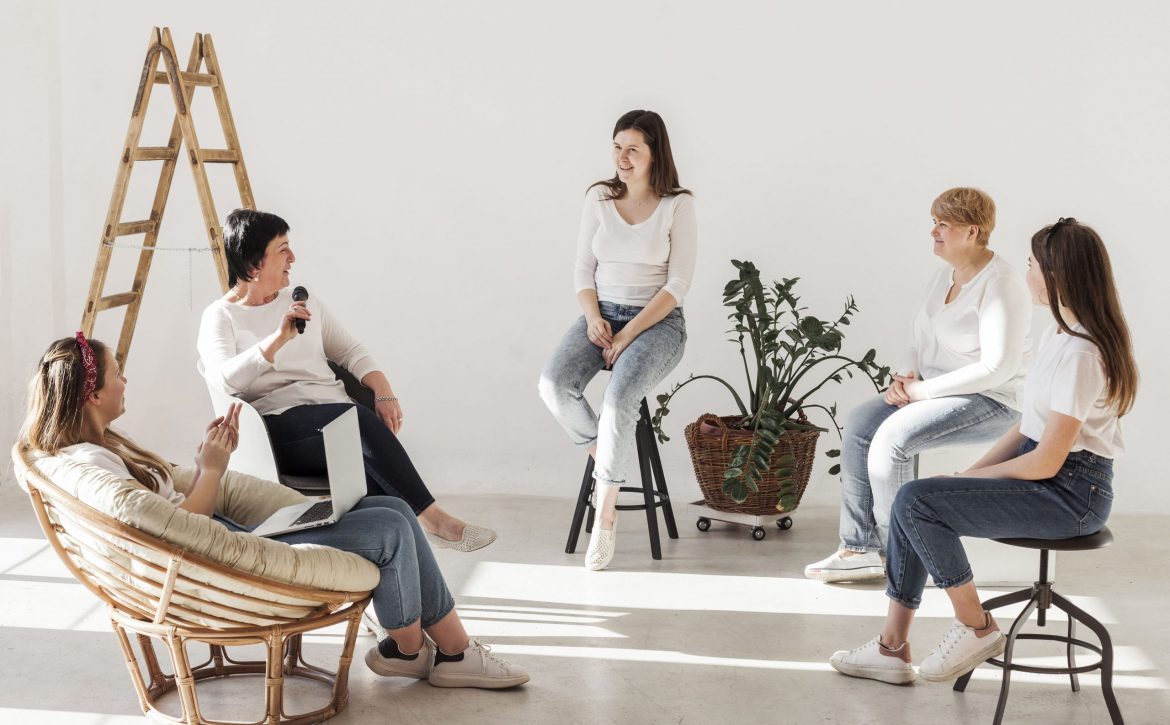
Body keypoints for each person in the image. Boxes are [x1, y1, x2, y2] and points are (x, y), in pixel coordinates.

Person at [21, 334, 529, 689]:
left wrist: (204, 466)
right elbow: (182, 530)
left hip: (225, 538)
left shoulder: (92, 451)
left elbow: (171, 517)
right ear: (91, 393)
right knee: (394, 525)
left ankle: (418, 651)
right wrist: (213, 470)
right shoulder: (92, 461)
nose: (125, 380)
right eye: (117, 373)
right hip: (224, 556)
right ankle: (440, 652)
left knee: (389, 508)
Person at [829, 218, 1137, 685]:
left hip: (1072, 496)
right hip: (1048, 478)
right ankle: (892, 649)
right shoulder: (1060, 334)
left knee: (915, 501)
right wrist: (964, 476)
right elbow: (1025, 428)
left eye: (1034, 264)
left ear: (1057, 277)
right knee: (920, 496)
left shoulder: (1082, 355)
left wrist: (958, 484)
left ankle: (976, 628)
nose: (1027, 271)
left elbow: (1047, 461)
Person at [197, 209, 494, 552]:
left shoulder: (304, 303)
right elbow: (223, 380)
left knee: (382, 498)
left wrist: (384, 392)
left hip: (336, 422)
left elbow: (351, 351)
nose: (293, 258)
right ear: (254, 263)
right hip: (276, 432)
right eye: (282, 250)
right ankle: (437, 521)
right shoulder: (220, 316)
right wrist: (278, 339)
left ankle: (402, 560)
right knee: (353, 424)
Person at [806, 188, 1031, 583]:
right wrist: (905, 377)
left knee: (894, 438)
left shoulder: (1002, 284)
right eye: (934, 222)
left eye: (943, 224)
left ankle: (903, 555)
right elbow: (917, 336)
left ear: (972, 231)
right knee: (861, 423)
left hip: (992, 400)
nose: (934, 232)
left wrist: (919, 394)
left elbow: (998, 367)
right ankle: (859, 548)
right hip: (932, 390)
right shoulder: (943, 275)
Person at [538, 110, 696, 571]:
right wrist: (592, 318)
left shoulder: (678, 204)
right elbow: (582, 269)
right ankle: (603, 449)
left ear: (654, 154)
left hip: (659, 324)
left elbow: (677, 285)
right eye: (617, 147)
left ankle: (604, 518)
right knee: (553, 384)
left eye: (633, 149)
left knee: (620, 397)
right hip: (600, 315)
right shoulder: (600, 197)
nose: (622, 158)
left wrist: (628, 333)